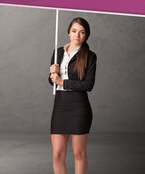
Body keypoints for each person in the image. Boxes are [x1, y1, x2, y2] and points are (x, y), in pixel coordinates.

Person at [48, 17, 97, 174]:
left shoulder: (90, 56)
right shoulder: (58, 53)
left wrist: (62, 82)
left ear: (86, 35)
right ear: (69, 32)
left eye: (82, 32)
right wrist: (52, 76)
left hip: (79, 107)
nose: (77, 35)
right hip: (60, 105)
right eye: (74, 31)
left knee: (79, 154)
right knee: (57, 155)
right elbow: (53, 82)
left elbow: (88, 85)